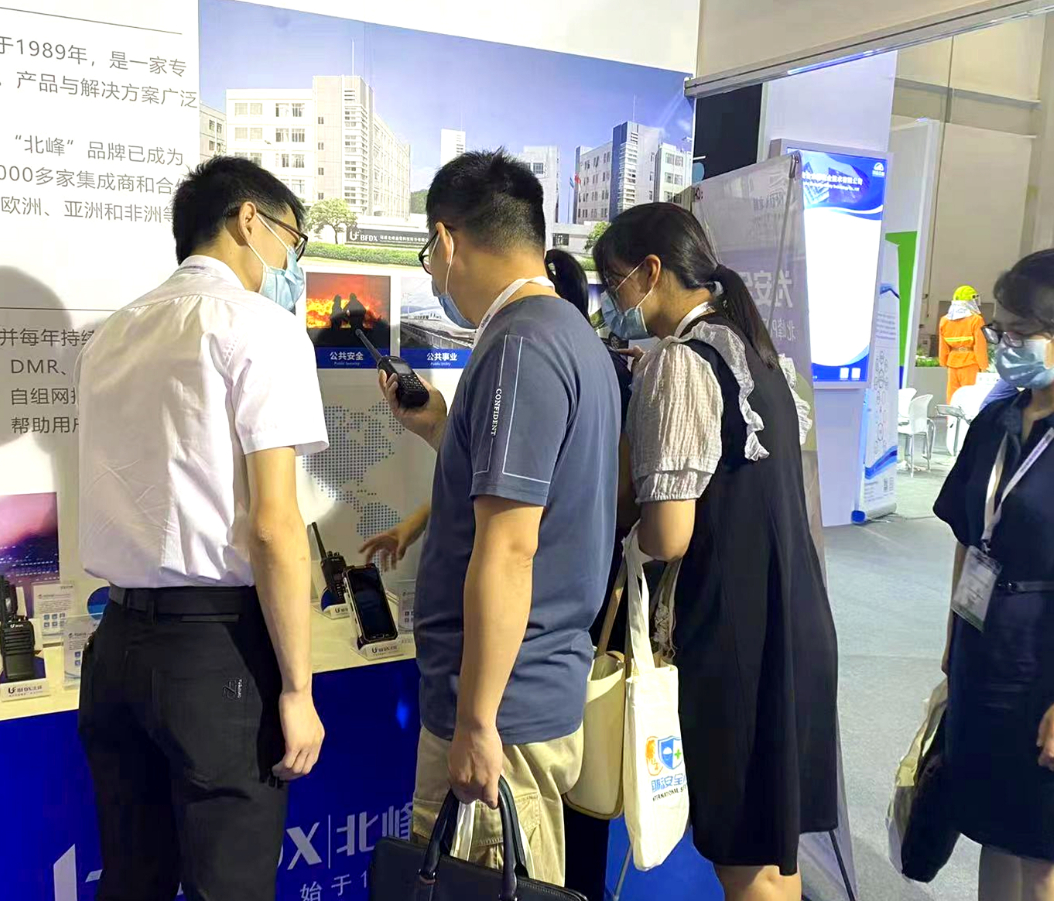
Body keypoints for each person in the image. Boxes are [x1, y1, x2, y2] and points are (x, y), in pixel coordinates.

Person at [76, 156, 328, 901]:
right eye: (292, 241)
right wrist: (298, 688)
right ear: (249, 220)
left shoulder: (112, 333)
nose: (291, 264)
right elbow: (275, 525)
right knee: (232, 887)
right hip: (217, 653)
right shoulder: (261, 328)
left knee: (133, 880)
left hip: (116, 644)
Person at [377, 149, 620, 885]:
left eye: (429, 255)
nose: (433, 273)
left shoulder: (519, 345)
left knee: (475, 880)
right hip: (529, 690)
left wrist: (478, 720)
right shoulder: (570, 334)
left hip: (502, 712)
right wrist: (436, 427)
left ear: (446, 241)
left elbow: (511, 550)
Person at [593, 202, 839, 901]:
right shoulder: (753, 350)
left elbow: (670, 533)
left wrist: (623, 541)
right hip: (790, 622)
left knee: (744, 862)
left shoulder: (678, 364)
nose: (611, 302)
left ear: (651, 272)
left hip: (735, 640)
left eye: (613, 283)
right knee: (773, 855)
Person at [934, 247, 1054, 901]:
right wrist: (954, 641)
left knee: (1048, 852)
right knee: (993, 828)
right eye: (1002, 328)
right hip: (987, 654)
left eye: (1022, 331)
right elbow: (970, 535)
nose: (1005, 344)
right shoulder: (998, 418)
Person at [941, 285, 990, 403]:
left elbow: (942, 345)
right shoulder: (976, 320)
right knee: (969, 397)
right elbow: (979, 345)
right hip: (970, 362)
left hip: (952, 363)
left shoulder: (944, 320)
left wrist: (944, 361)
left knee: (952, 397)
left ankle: (951, 415)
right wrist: (984, 366)